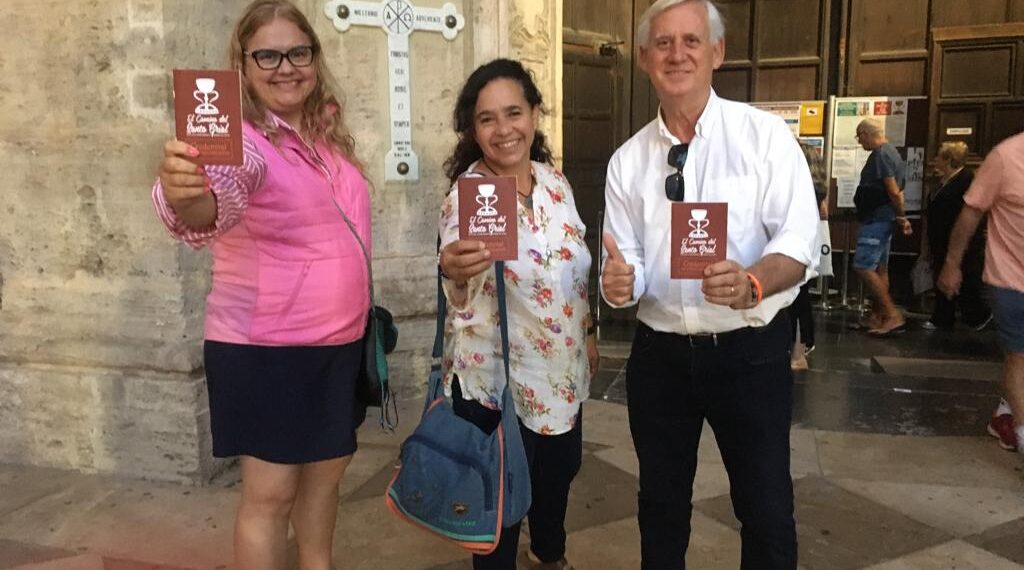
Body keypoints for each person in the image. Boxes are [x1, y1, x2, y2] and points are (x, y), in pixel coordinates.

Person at [600, 1, 818, 567]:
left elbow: (797, 243)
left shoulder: (763, 136)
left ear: (716, 53)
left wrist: (752, 281)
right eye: (664, 43)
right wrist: (620, 283)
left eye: (691, 41)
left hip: (749, 351)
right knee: (661, 506)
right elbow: (630, 261)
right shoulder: (627, 162)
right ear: (645, 58)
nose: (678, 54)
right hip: (661, 357)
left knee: (766, 506)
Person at [151, 2, 369, 568]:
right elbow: (215, 197)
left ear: (314, 60)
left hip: (339, 345)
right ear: (243, 65)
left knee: (324, 485)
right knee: (270, 497)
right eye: (267, 55)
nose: (285, 66)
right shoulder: (245, 142)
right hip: (268, 351)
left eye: (298, 52)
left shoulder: (326, 138)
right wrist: (184, 192)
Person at [437, 58, 598, 570]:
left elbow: (575, 268)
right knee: (498, 499)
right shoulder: (467, 198)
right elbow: (456, 284)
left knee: (558, 475)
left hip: (562, 372)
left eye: (514, 112)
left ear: (534, 113)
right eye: (487, 118)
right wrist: (454, 269)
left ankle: (549, 553)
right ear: (473, 128)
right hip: (494, 379)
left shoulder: (556, 184)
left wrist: (589, 331)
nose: (503, 129)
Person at [938, 131, 1024, 455]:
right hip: (1011, 279)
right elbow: (970, 213)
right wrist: (951, 264)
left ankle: (1007, 409)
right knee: (1019, 355)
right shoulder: (1005, 157)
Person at [851, 118, 912, 336]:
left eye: (860, 136)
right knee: (879, 268)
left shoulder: (882, 154)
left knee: (863, 266)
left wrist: (901, 216)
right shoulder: (891, 153)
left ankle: (891, 313)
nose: (859, 141)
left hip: (877, 219)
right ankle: (878, 315)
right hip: (883, 217)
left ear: (868, 134)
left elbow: (893, 190)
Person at [922, 141, 991, 330]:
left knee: (966, 280)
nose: (935, 161)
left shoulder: (967, 180)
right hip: (941, 240)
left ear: (948, 160)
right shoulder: (942, 182)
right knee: (942, 277)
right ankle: (943, 316)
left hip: (961, 240)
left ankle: (978, 315)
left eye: (938, 157)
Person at [790, 140, 829, 369]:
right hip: (809, 242)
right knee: (802, 296)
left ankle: (798, 349)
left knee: (795, 298)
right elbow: (823, 212)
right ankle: (804, 344)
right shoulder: (817, 185)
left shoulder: (797, 184)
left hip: (797, 244)